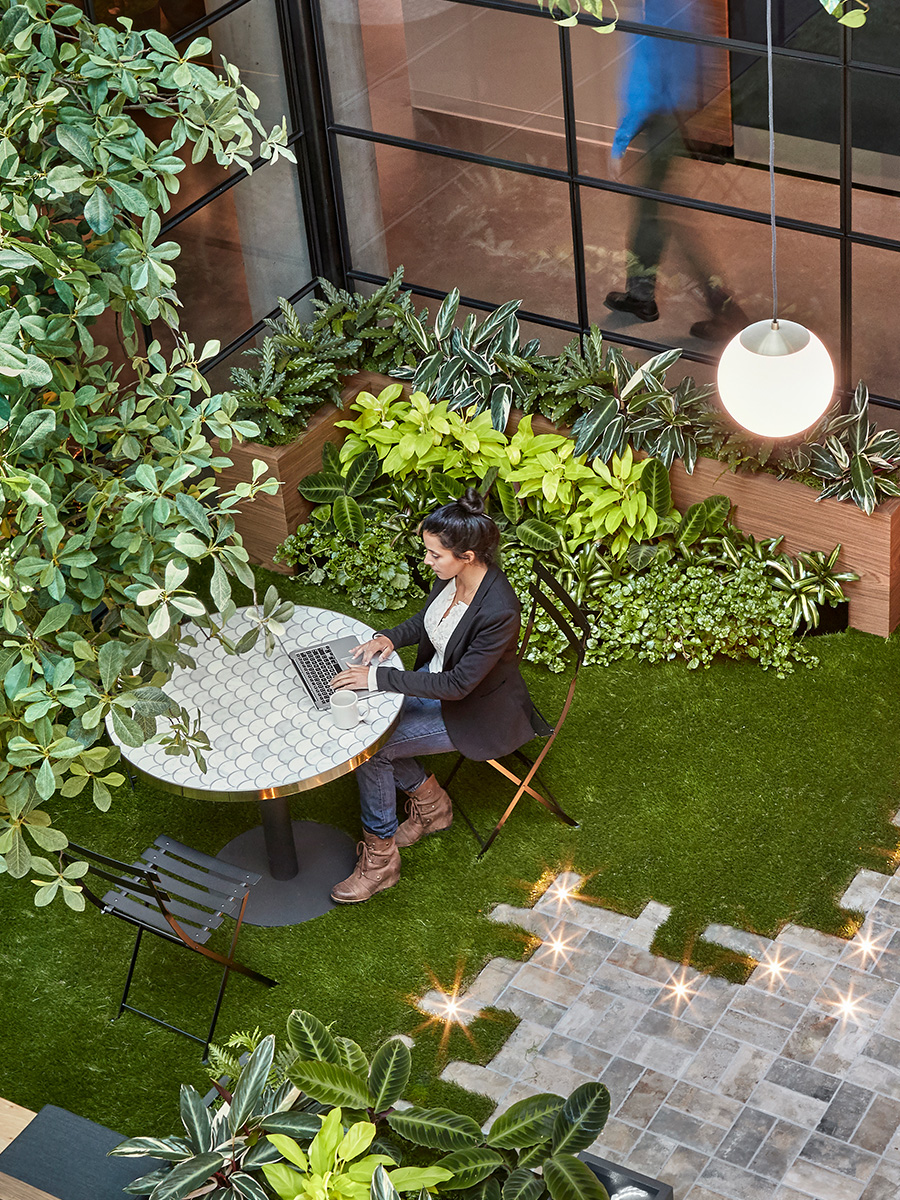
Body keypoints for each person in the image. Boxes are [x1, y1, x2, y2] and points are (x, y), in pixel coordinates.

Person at [327, 488, 540, 904]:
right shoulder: (454, 577)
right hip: (434, 681)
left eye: (434, 555)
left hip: (474, 710)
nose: (427, 561)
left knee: (371, 749)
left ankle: (381, 861)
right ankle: (432, 804)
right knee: (366, 725)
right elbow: (428, 623)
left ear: (468, 556)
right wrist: (388, 638)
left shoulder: (499, 611)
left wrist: (377, 680)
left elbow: (459, 685)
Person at [604, 0, 747, 341]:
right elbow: (695, 53)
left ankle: (727, 312)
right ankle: (640, 296)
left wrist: (622, 137)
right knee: (651, 211)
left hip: (658, 117)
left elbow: (646, 68)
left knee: (669, 218)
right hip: (673, 110)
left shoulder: (655, 3)